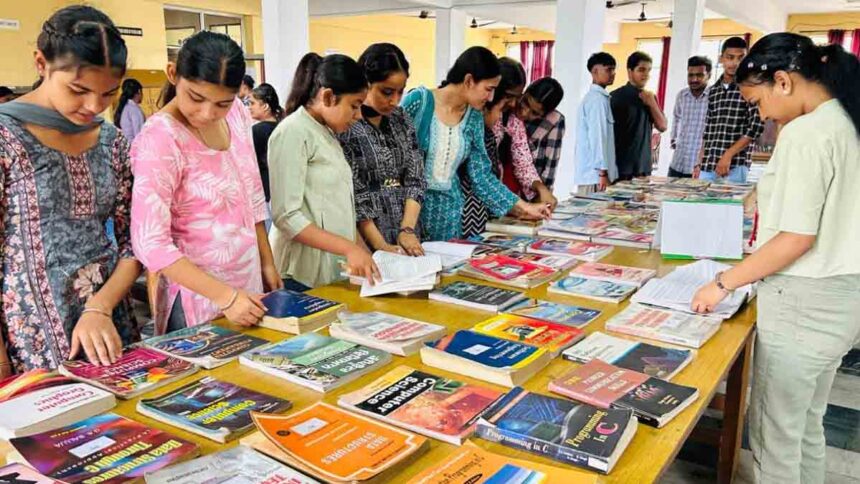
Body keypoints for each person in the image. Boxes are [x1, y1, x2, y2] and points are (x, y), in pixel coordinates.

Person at [691, 33, 860, 484]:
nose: (760, 114)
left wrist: (723, 282)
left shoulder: (806, 132)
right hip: (840, 301)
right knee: (806, 426)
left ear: (782, 82)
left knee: (775, 438)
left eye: (758, 100)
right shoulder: (842, 118)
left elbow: (796, 238)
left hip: (804, 302)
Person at [0, 5, 141, 375]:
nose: (93, 106)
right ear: (40, 64)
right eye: (78, 90)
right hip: (30, 345)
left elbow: (134, 243)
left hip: (109, 329)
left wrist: (101, 307)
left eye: (108, 94)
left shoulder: (112, 141)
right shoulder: (5, 138)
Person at [131, 31, 281, 334]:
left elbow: (252, 193)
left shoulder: (237, 114)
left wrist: (266, 262)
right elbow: (150, 243)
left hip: (247, 281)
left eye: (221, 103)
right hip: (195, 296)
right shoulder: (161, 136)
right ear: (173, 74)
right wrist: (226, 297)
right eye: (196, 98)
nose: (207, 113)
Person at [401, 46, 550, 241]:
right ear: (469, 81)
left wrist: (524, 207)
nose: (490, 97)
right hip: (408, 217)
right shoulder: (419, 102)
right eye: (489, 89)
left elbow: (481, 176)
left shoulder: (473, 118)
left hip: (449, 215)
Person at [268, 53, 378, 289]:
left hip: (330, 269)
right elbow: (286, 216)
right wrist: (349, 248)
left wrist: (363, 251)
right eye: (354, 106)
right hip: (298, 273)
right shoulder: (293, 131)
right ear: (327, 96)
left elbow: (338, 208)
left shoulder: (326, 132)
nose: (358, 116)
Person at [338, 43, 426, 255]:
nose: (395, 101)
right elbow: (354, 193)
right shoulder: (347, 123)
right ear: (366, 84)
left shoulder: (401, 119)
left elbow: (416, 177)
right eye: (387, 92)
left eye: (401, 91)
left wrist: (407, 229)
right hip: (366, 236)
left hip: (408, 230)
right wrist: (381, 246)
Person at [461, 57, 556, 237]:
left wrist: (540, 189)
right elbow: (479, 175)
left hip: (490, 200)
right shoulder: (471, 115)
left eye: (517, 98)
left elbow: (523, 161)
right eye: (510, 97)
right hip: (465, 203)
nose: (515, 105)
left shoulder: (510, 118)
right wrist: (523, 207)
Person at [695, 37, 764, 183]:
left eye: (741, 58)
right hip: (708, 165)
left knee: (729, 206)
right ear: (721, 59)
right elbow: (708, 129)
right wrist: (699, 162)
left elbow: (756, 127)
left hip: (735, 165)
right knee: (699, 205)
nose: (735, 63)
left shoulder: (751, 88)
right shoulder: (714, 91)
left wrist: (728, 155)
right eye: (730, 57)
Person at [611, 51, 668, 180]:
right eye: (641, 70)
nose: (646, 75)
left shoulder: (650, 97)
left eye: (648, 70)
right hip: (622, 168)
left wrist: (652, 103)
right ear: (630, 71)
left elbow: (663, 126)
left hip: (644, 167)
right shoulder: (616, 97)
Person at [574, 52, 618, 194]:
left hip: (596, 176)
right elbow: (598, 138)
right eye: (608, 70)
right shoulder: (597, 100)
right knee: (592, 215)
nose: (612, 74)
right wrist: (602, 173)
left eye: (613, 70)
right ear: (594, 71)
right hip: (594, 178)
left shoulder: (601, 98)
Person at [518, 77, 565, 191]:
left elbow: (549, 168)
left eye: (535, 113)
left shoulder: (554, 120)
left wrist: (542, 195)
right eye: (525, 103)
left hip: (530, 193)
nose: (525, 113)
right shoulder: (508, 107)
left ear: (546, 113)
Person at [669, 56, 712, 178]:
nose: (694, 79)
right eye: (690, 75)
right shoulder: (682, 95)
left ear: (708, 75)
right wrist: (673, 137)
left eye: (699, 75)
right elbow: (676, 118)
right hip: (678, 162)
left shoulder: (715, 96)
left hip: (701, 166)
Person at [248, 83, 283, 204]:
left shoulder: (258, 131)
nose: (249, 107)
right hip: (281, 190)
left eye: (252, 103)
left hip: (264, 193)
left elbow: (250, 165)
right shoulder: (283, 128)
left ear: (265, 106)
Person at [114, 78, 144, 142]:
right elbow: (139, 135)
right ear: (139, 91)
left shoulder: (125, 107)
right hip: (134, 147)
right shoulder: (134, 109)